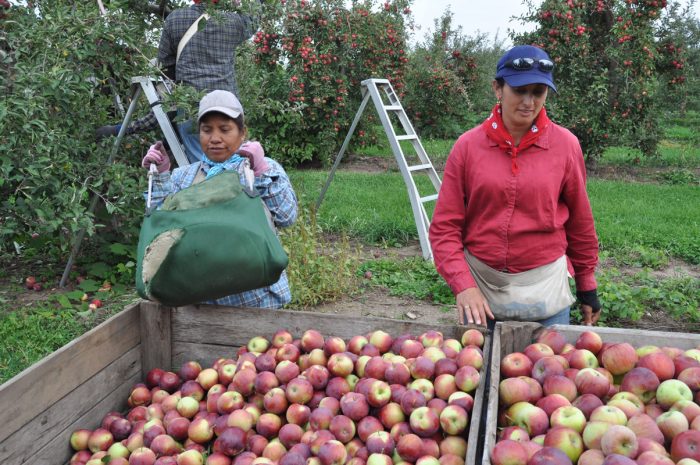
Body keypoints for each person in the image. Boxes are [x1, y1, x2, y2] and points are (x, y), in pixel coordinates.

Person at [429, 45, 602, 329]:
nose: (529, 101)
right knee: (481, 371)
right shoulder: (468, 147)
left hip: (544, 290)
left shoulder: (565, 146)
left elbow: (580, 221)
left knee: (547, 370)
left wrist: (586, 284)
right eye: (519, 90)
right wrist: (463, 285)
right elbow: (444, 227)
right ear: (498, 89)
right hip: (482, 291)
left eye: (538, 92)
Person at [141, 89, 298, 308]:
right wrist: (160, 176)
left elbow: (286, 217)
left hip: (256, 298)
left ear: (243, 132)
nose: (215, 138)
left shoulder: (259, 169)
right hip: (201, 298)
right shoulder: (184, 177)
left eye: (225, 129)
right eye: (207, 130)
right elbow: (160, 228)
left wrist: (260, 172)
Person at [97, 0, 258, 164]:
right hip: (227, 110)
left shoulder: (175, 19)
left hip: (190, 107)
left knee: (201, 172)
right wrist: (241, 4)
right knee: (233, 171)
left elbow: (163, 65)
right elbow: (253, 20)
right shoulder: (233, 22)